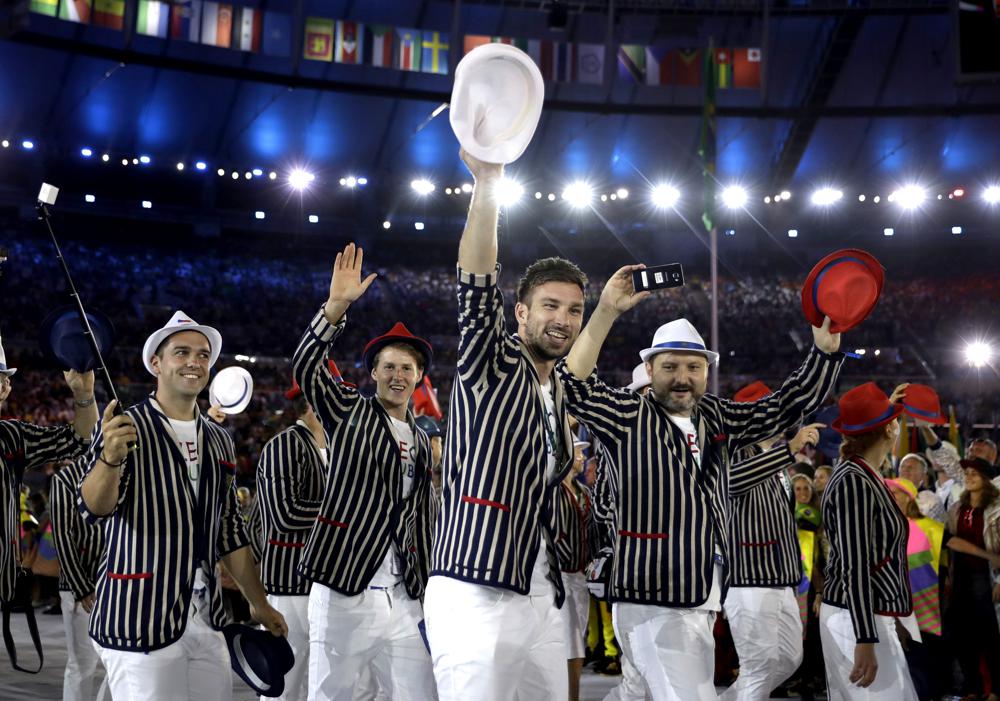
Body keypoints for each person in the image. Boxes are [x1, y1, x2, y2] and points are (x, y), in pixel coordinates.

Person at [558, 264, 844, 700]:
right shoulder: (628, 416)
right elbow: (573, 386)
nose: (683, 377)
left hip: (701, 595)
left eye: (693, 366)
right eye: (670, 366)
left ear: (707, 373)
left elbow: (784, 406)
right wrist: (606, 313)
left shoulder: (718, 416)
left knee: (643, 694)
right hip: (651, 597)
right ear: (650, 370)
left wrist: (822, 354)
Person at [423, 151, 584, 701]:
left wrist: (607, 310)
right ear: (520, 311)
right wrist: (488, 183)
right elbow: (473, 278)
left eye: (573, 310)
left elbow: (576, 365)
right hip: (475, 583)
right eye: (549, 306)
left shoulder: (557, 387)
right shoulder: (489, 361)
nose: (562, 319)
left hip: (540, 585)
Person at [79, 311, 287, 700]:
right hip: (139, 616)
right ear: (156, 363)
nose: (195, 361)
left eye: (203, 354)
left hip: (207, 618)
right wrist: (109, 459)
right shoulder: (126, 427)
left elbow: (230, 529)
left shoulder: (220, 440)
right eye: (182, 352)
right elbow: (93, 508)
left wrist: (257, 602)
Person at [292, 244, 437, 701]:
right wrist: (336, 307)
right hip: (345, 588)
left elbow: (421, 516)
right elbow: (307, 367)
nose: (398, 375)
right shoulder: (350, 412)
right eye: (389, 366)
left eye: (407, 368)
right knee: (333, 697)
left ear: (419, 379)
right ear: (373, 372)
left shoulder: (422, 438)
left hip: (406, 595)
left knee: (420, 694)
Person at [722, 380, 823, 701]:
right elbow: (732, 482)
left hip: (781, 578)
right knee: (759, 665)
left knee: (789, 658)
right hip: (748, 579)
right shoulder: (735, 448)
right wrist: (789, 449)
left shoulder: (779, 462)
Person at [819, 382, 915, 700]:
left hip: (859, 615)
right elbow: (855, 564)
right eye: (894, 420)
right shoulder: (854, 481)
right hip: (855, 618)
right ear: (889, 429)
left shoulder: (861, 473)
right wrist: (864, 637)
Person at [0, 339, 98, 608]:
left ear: (5, 389)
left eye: (1, 380)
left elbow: (80, 440)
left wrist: (83, 395)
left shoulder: (12, 437)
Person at [254, 379, 329, 701]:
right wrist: (342, 516)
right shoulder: (285, 446)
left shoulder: (329, 449)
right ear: (312, 406)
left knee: (316, 680)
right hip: (288, 584)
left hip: (319, 584)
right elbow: (284, 515)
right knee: (283, 685)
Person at [942, 456, 1000, 701]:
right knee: (962, 634)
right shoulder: (957, 507)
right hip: (962, 577)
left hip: (986, 578)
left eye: (975, 474)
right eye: (966, 474)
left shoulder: (997, 509)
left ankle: (995, 690)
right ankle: (972, 688)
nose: (968, 477)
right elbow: (948, 540)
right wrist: (951, 575)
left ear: (986, 479)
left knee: (990, 636)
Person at [50, 456, 108, 701]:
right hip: (82, 585)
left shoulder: (126, 469)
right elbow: (62, 534)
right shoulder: (66, 477)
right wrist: (80, 586)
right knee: (82, 664)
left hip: (117, 582)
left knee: (121, 663)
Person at [883, 477, 946, 701]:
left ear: (909, 498)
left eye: (896, 492)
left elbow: (950, 549)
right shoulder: (885, 527)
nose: (891, 496)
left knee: (924, 658)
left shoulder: (929, 527)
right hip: (895, 603)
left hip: (927, 605)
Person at [558, 439, 593, 701]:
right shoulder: (556, 491)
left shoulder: (583, 491)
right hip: (562, 574)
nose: (582, 458)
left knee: (578, 635)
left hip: (580, 574)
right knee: (572, 642)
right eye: (578, 453)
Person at [897, 453, 946, 522]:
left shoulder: (931, 500)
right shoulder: (890, 494)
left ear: (923, 475)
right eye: (902, 467)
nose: (905, 470)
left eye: (910, 467)